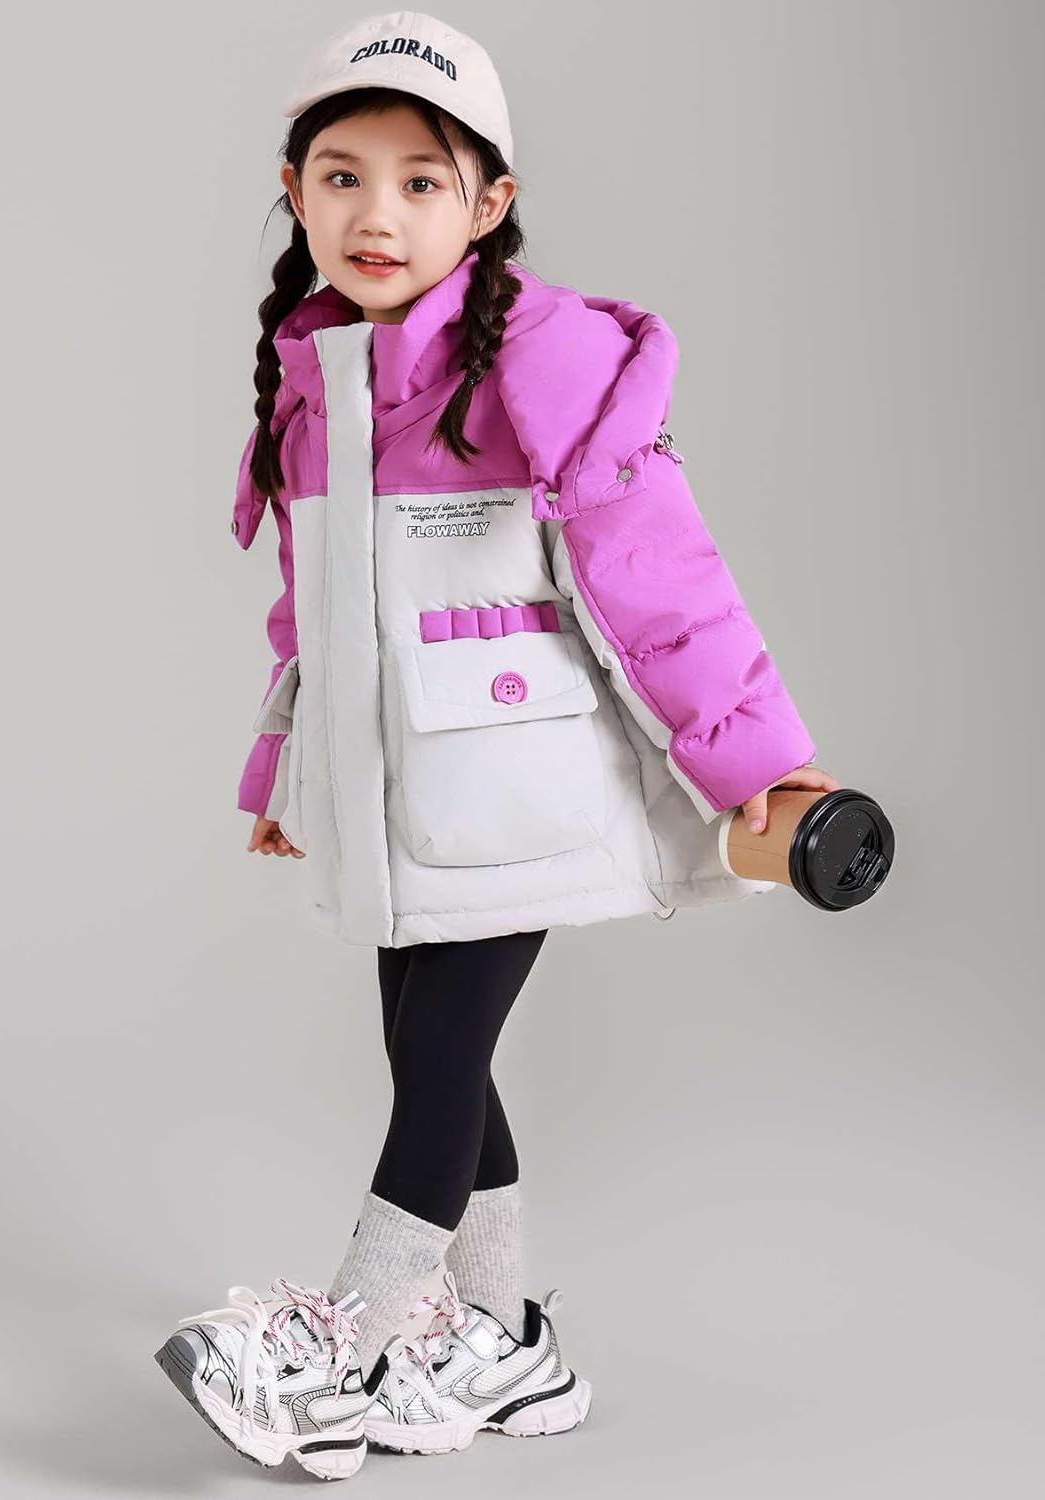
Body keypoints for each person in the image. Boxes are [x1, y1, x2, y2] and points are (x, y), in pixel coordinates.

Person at [153, 10, 840, 1481]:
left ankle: (348, 1338)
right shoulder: (320, 379)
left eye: (422, 181)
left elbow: (662, 582)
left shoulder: (545, 363)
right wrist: (285, 770)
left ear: (488, 204)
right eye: (341, 176)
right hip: (399, 794)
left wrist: (763, 774)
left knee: (440, 1058)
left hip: (523, 786)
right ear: (293, 192)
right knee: (424, 1045)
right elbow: (311, 616)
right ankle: (503, 1337)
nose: (377, 214)